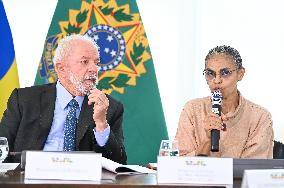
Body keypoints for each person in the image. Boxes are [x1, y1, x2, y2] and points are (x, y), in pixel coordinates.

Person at [0, 34, 127, 164]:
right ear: (61, 68)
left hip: (81, 181)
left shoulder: (109, 107)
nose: (94, 69)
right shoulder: (24, 100)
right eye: (85, 62)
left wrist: (101, 123)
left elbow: (119, 163)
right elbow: (2, 148)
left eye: (96, 63)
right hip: (28, 178)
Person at [175, 45, 273, 158]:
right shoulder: (192, 109)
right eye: (210, 73)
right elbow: (178, 165)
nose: (216, 80)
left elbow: (253, 169)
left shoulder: (260, 117)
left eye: (225, 73)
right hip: (197, 176)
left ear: (240, 74)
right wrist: (207, 140)